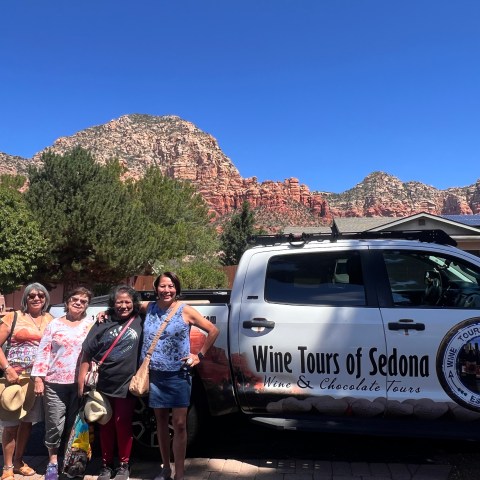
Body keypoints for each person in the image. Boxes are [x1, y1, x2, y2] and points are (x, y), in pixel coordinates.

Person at [142, 272, 219, 480]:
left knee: (180, 424)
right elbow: (125, 305)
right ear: (156, 288)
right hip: (155, 374)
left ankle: (180, 474)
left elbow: (212, 330)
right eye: (163, 286)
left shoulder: (185, 311)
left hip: (178, 374)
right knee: (159, 422)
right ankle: (166, 468)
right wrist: (107, 313)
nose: (167, 290)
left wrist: (199, 355)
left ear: (176, 289)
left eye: (171, 286)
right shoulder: (148, 308)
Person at [78, 285, 143, 480]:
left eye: (127, 302)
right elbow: (87, 351)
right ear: (112, 304)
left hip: (126, 383)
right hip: (102, 383)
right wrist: (81, 380)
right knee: (105, 425)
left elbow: (155, 305)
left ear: (134, 304)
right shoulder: (102, 322)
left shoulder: (140, 319)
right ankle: (106, 465)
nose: (123, 306)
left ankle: (124, 465)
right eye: (119, 302)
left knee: (122, 424)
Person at [31, 287, 94, 480]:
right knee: (54, 425)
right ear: (67, 301)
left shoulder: (90, 324)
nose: (78, 303)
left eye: (83, 301)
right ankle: (52, 463)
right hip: (54, 382)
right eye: (75, 299)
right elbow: (44, 351)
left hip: (80, 384)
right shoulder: (54, 324)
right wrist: (39, 378)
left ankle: (71, 462)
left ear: (87, 306)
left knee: (75, 425)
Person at [0, 283, 53, 480]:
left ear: (46, 298)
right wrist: (7, 368)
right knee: (11, 423)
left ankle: (19, 461)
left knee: (28, 423)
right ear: (26, 298)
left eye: (40, 295)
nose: (36, 298)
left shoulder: (51, 319)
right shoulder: (13, 317)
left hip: (38, 379)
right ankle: (7, 466)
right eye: (32, 296)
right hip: (15, 379)